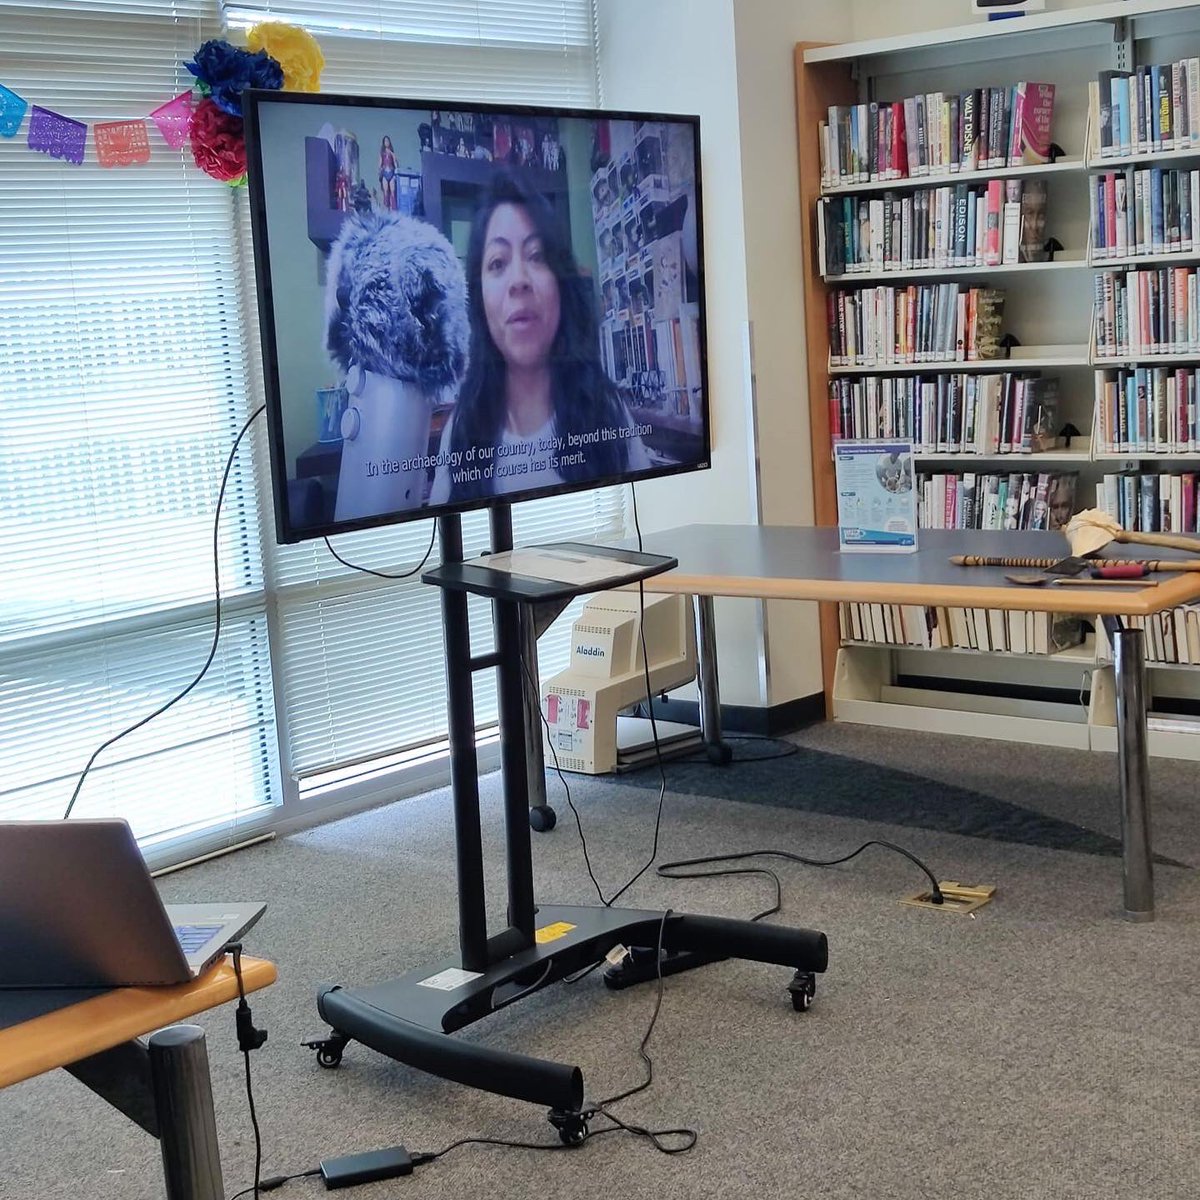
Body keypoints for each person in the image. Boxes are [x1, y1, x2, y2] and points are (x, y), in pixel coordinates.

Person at [432, 170, 650, 504]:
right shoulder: (460, 431)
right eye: (497, 263)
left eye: (537, 256)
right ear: (479, 300)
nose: (518, 279)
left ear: (561, 284)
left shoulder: (608, 413)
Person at [378, 135, 397, 211]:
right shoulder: (382, 153)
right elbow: (379, 163)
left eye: (388, 141)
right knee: (385, 192)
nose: (387, 142)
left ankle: (393, 209)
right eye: (385, 141)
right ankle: (386, 208)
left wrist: (392, 154)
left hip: (391, 172)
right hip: (385, 172)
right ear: (383, 143)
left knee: (392, 191)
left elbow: (395, 163)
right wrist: (379, 170)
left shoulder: (392, 153)